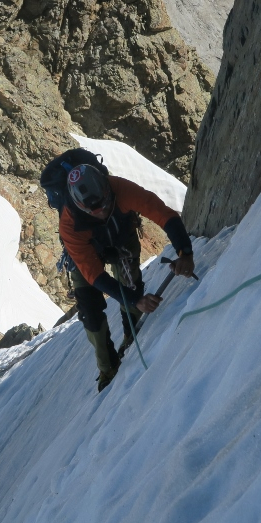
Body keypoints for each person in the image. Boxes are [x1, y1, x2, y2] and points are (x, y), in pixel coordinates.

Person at [54, 159, 195, 390]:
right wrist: (134, 300)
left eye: (105, 205)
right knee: (90, 310)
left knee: (132, 284)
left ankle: (133, 334)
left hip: (122, 239)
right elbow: (94, 275)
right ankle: (107, 367)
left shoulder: (120, 188)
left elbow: (163, 214)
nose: (102, 214)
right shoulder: (69, 223)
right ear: (81, 207)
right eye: (95, 211)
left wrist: (185, 252)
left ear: (107, 190)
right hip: (88, 253)